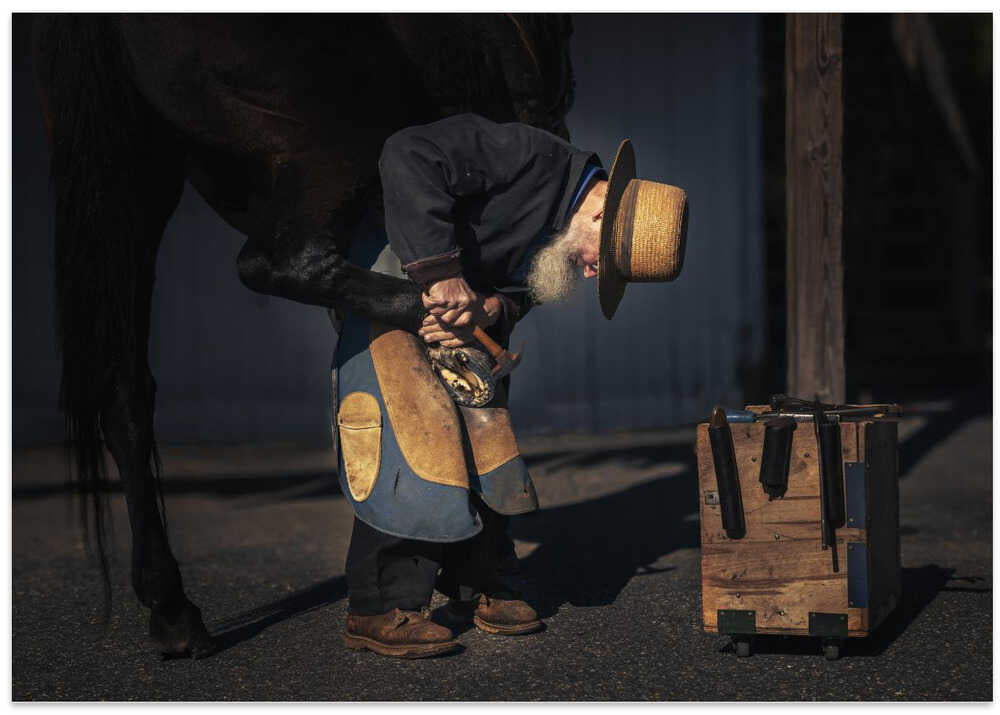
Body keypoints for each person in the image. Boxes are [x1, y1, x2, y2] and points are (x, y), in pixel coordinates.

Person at [334, 113, 688, 658]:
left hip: (457, 309)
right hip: (388, 274)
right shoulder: (529, 155)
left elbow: (514, 292)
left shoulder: (563, 231)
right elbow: (406, 151)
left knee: (487, 429)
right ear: (599, 215)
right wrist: (439, 273)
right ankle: (379, 606)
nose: (593, 274)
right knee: (410, 431)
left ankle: (480, 582)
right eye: (604, 262)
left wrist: (491, 305)